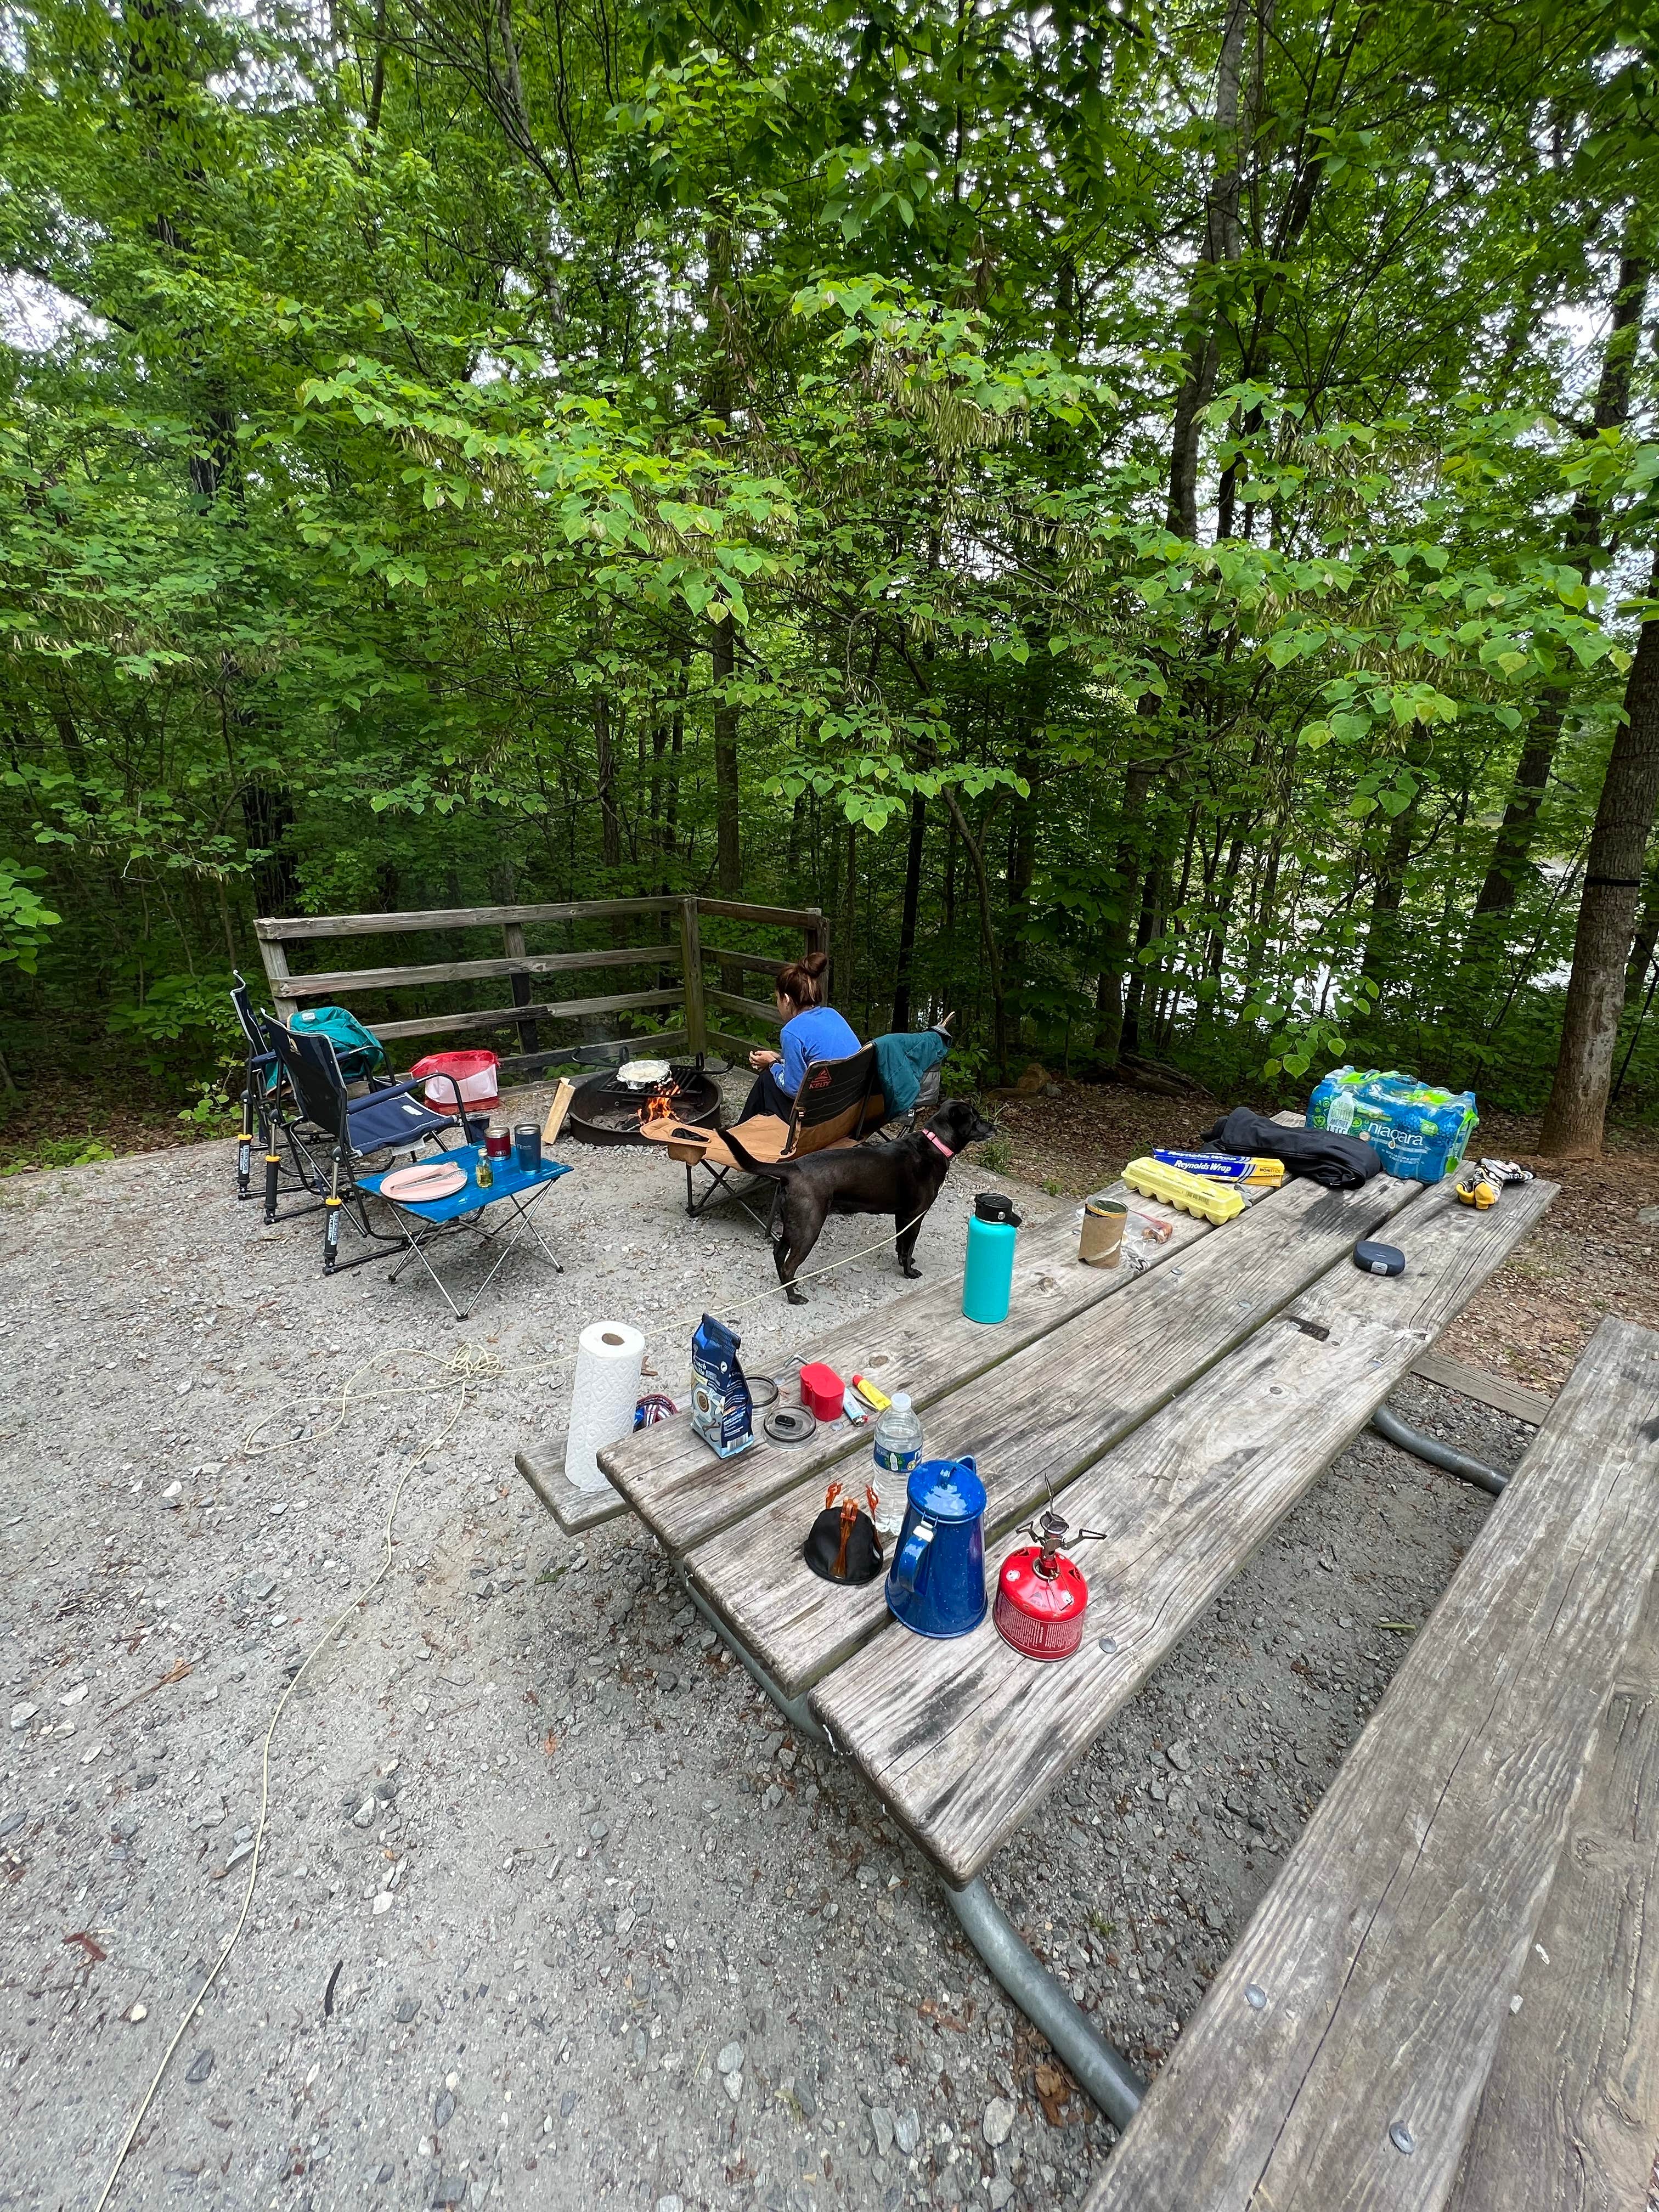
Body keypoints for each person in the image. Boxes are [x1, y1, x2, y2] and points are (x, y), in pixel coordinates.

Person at [741, 952, 861, 1120]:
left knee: (767, 1080)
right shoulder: (832, 1014)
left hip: (817, 1120)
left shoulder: (792, 1032)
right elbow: (817, 1061)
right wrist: (779, 1059)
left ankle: (738, 1134)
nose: (777, 1005)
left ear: (787, 1000)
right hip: (848, 1110)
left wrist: (773, 1064)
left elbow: (793, 1089)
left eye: (777, 999)